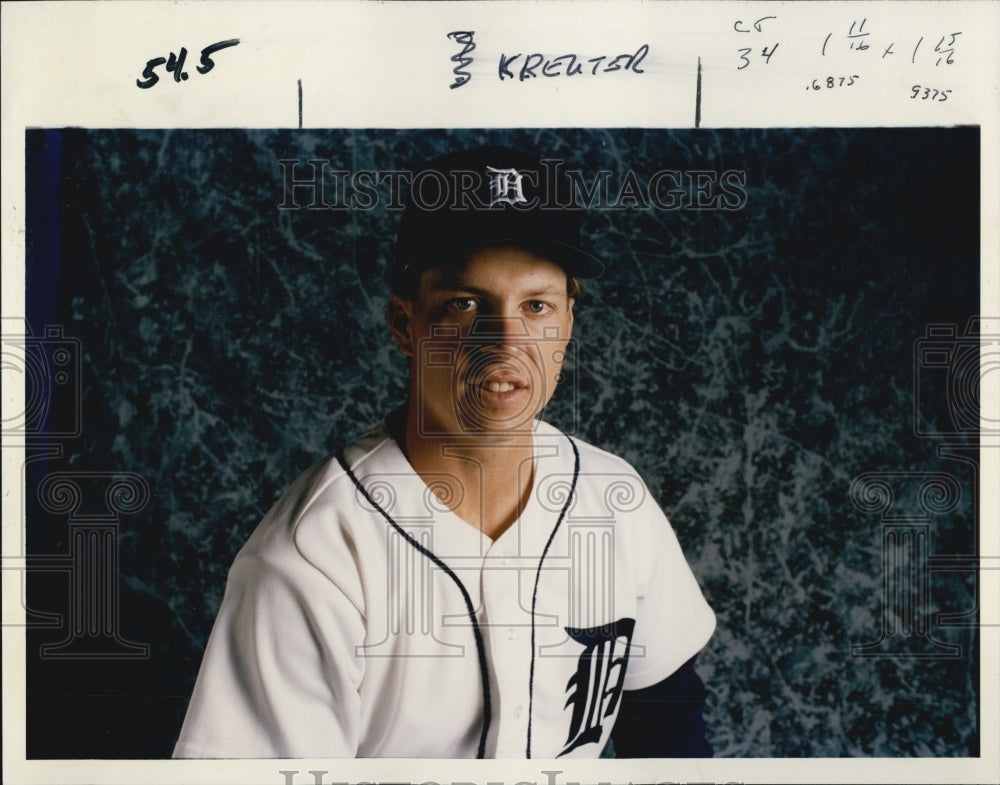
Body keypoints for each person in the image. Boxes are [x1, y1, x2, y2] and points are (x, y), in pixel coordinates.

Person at [173, 146, 716, 759]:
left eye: (536, 306)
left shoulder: (613, 499)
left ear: (568, 319)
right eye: (465, 305)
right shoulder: (317, 551)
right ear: (405, 324)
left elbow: (668, 723)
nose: (505, 343)